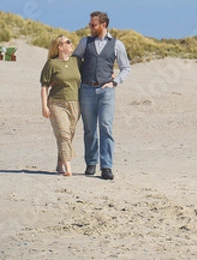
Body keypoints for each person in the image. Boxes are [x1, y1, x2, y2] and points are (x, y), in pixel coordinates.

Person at [73, 11, 130, 180]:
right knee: (89, 129)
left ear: (103, 25)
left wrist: (115, 82)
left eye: (93, 25)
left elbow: (126, 68)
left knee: (105, 126)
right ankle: (91, 163)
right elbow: (74, 62)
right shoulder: (85, 42)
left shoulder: (117, 44)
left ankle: (106, 166)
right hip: (86, 90)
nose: (90, 27)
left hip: (106, 91)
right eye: (90, 24)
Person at [40, 35, 81, 176]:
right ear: (60, 47)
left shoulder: (76, 61)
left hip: (75, 104)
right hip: (56, 103)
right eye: (68, 42)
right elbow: (44, 86)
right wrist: (44, 106)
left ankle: (59, 164)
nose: (71, 44)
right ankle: (68, 169)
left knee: (68, 136)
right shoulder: (51, 64)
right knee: (63, 134)